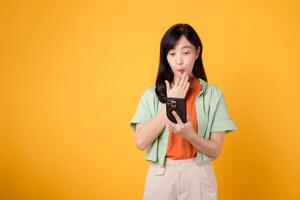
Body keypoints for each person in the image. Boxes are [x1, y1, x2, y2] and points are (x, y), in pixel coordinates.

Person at [129, 23, 238, 200]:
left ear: (197, 52)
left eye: (186, 52)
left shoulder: (213, 95)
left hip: (198, 173)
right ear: (166, 57)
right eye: (172, 54)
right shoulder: (151, 95)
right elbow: (141, 142)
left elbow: (215, 150)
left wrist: (190, 135)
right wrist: (171, 102)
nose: (179, 60)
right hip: (162, 174)